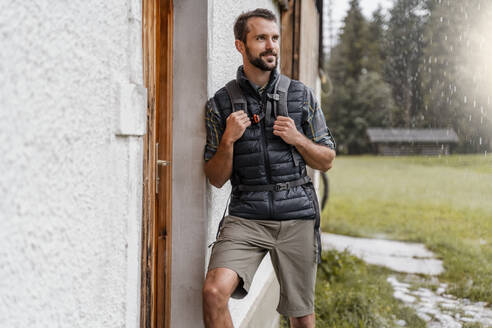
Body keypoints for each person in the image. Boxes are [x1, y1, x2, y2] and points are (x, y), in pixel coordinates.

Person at [202, 8, 336, 328]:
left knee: (301, 317)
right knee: (212, 293)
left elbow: (327, 159)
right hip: (246, 214)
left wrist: (298, 139)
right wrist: (228, 141)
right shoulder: (221, 104)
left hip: (296, 214)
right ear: (240, 45)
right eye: (261, 38)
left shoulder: (301, 95)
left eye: (274, 38)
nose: (271, 45)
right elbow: (216, 178)